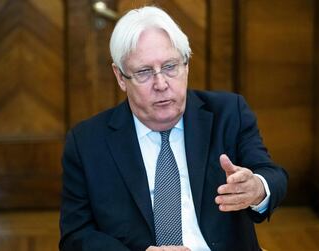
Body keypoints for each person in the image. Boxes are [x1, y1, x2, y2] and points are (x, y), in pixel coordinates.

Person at [59, 6, 288, 251]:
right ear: (120, 77)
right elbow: (76, 235)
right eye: (145, 72)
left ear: (186, 65)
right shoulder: (87, 143)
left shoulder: (228, 113)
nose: (161, 84)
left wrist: (257, 188)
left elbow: (273, 176)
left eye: (170, 67)